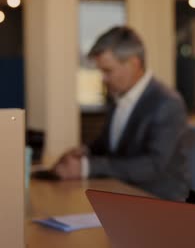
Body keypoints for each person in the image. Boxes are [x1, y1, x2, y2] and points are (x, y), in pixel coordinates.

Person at [53, 26, 188, 201]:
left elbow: (153, 166)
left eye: (108, 70)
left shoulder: (167, 103)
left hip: (158, 202)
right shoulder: (119, 97)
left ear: (134, 63)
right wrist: (84, 152)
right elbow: (110, 144)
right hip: (122, 194)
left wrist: (87, 168)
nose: (103, 78)